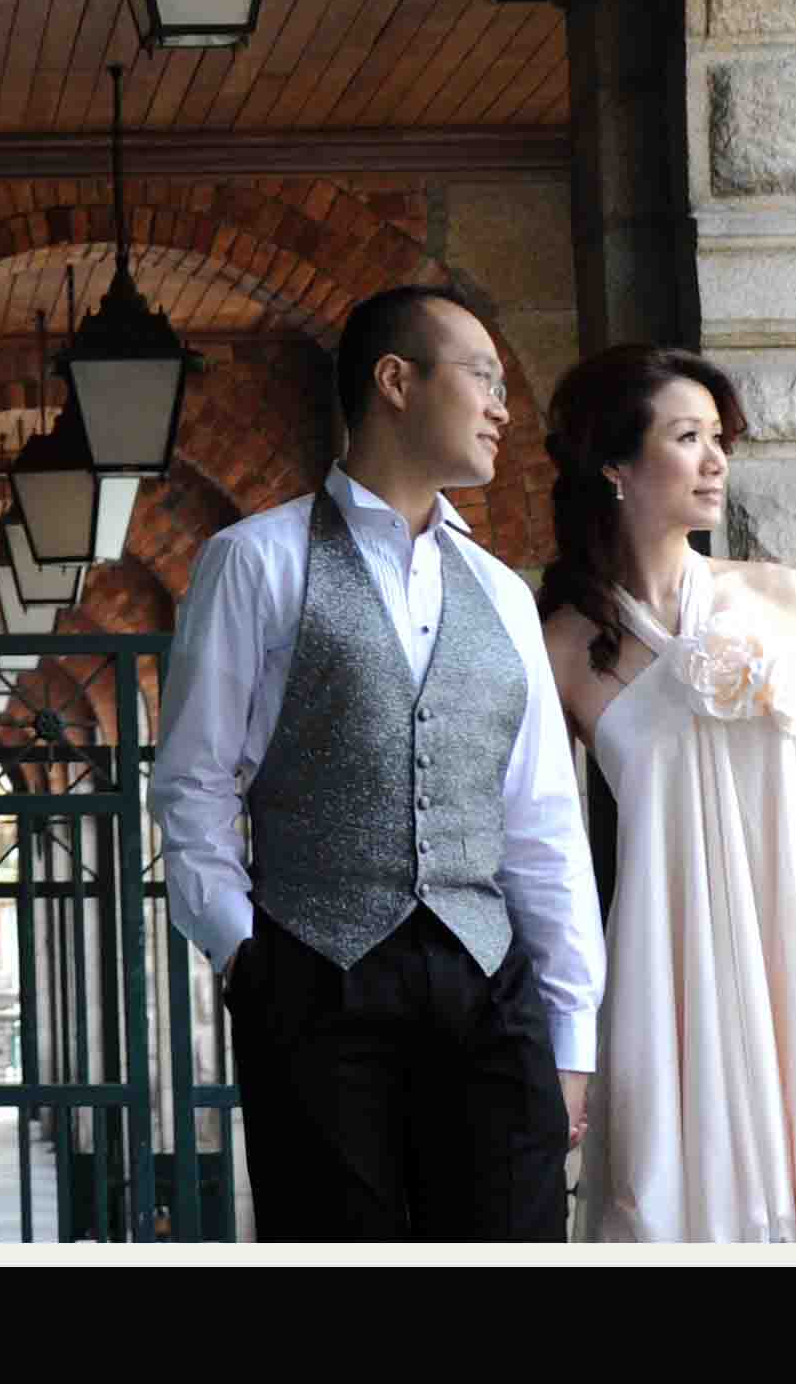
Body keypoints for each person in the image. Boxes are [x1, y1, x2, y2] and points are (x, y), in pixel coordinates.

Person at [146, 285, 600, 1242]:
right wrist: (246, 957)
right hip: (315, 978)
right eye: (482, 376)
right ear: (396, 380)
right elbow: (193, 782)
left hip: (489, 983)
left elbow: (541, 821)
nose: (502, 407)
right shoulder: (254, 561)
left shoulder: (501, 594)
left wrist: (569, 1030)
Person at [533, 344, 796, 1244]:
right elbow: (546, 842)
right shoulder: (562, 646)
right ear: (614, 464)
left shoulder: (776, 594)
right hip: (673, 970)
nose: (715, 460)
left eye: (718, 438)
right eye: (687, 436)